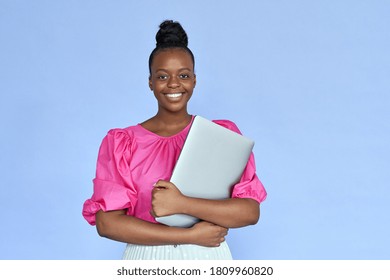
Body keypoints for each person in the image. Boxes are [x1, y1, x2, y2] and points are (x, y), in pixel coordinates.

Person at [82, 20, 267, 260]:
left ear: (194, 80)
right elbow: (107, 224)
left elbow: (249, 212)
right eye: (162, 76)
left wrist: (182, 203)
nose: (173, 84)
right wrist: (188, 236)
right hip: (148, 260)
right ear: (150, 82)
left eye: (183, 75)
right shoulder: (122, 143)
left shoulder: (222, 136)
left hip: (207, 257)